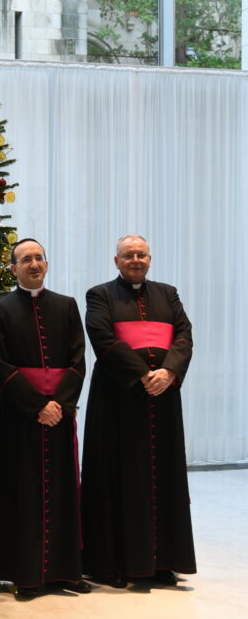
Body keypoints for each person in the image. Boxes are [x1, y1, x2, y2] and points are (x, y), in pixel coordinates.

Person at [81, 234, 196, 587]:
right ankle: (113, 565)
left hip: (163, 398)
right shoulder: (99, 295)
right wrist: (144, 375)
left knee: (163, 477)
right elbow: (103, 339)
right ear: (116, 261)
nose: (135, 260)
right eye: (128, 254)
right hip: (118, 399)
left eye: (141, 254)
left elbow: (184, 335)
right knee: (118, 478)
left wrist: (169, 372)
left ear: (150, 259)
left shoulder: (168, 293)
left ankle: (162, 563)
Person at [0, 238, 89, 598]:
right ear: (13, 268)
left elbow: (78, 361)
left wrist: (58, 404)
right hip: (20, 417)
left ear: (47, 264)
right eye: (25, 259)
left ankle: (65, 572)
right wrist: (37, 406)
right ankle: (23, 573)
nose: (33, 264)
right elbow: (0, 365)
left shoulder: (66, 305)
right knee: (21, 493)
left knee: (63, 491)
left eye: (39, 258)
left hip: (58, 416)